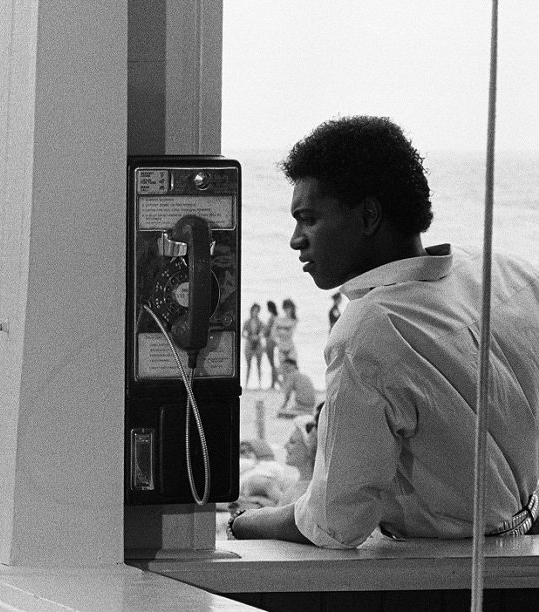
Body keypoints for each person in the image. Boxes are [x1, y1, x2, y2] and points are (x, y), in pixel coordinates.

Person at [229, 115, 539, 548]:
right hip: (521, 555)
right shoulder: (507, 273)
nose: (296, 239)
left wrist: (238, 526)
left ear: (369, 215)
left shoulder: (367, 334)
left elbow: (335, 523)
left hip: (433, 581)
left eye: (308, 218)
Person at [241, 303, 266, 388]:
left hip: (258, 343)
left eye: (257, 311)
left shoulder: (260, 322)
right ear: (251, 311)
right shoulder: (247, 322)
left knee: (259, 365)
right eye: (254, 311)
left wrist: (258, 336)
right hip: (249, 343)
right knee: (248, 366)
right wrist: (250, 337)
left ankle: (260, 384)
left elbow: (263, 332)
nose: (255, 312)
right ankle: (246, 385)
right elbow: (242, 333)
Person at [272, 297, 299, 366]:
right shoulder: (278, 319)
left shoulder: (294, 320)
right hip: (281, 349)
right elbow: (273, 334)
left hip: (290, 349)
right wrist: (285, 329)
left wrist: (280, 329)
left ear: (292, 309)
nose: (287, 310)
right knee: (283, 373)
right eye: (286, 308)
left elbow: (289, 334)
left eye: (289, 308)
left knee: (293, 371)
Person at [263, 300, 279, 388]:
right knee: (273, 363)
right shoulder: (277, 317)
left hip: (269, 341)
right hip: (274, 341)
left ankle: (274, 383)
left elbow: (267, 331)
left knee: (272, 363)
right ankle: (275, 382)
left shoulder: (271, 318)